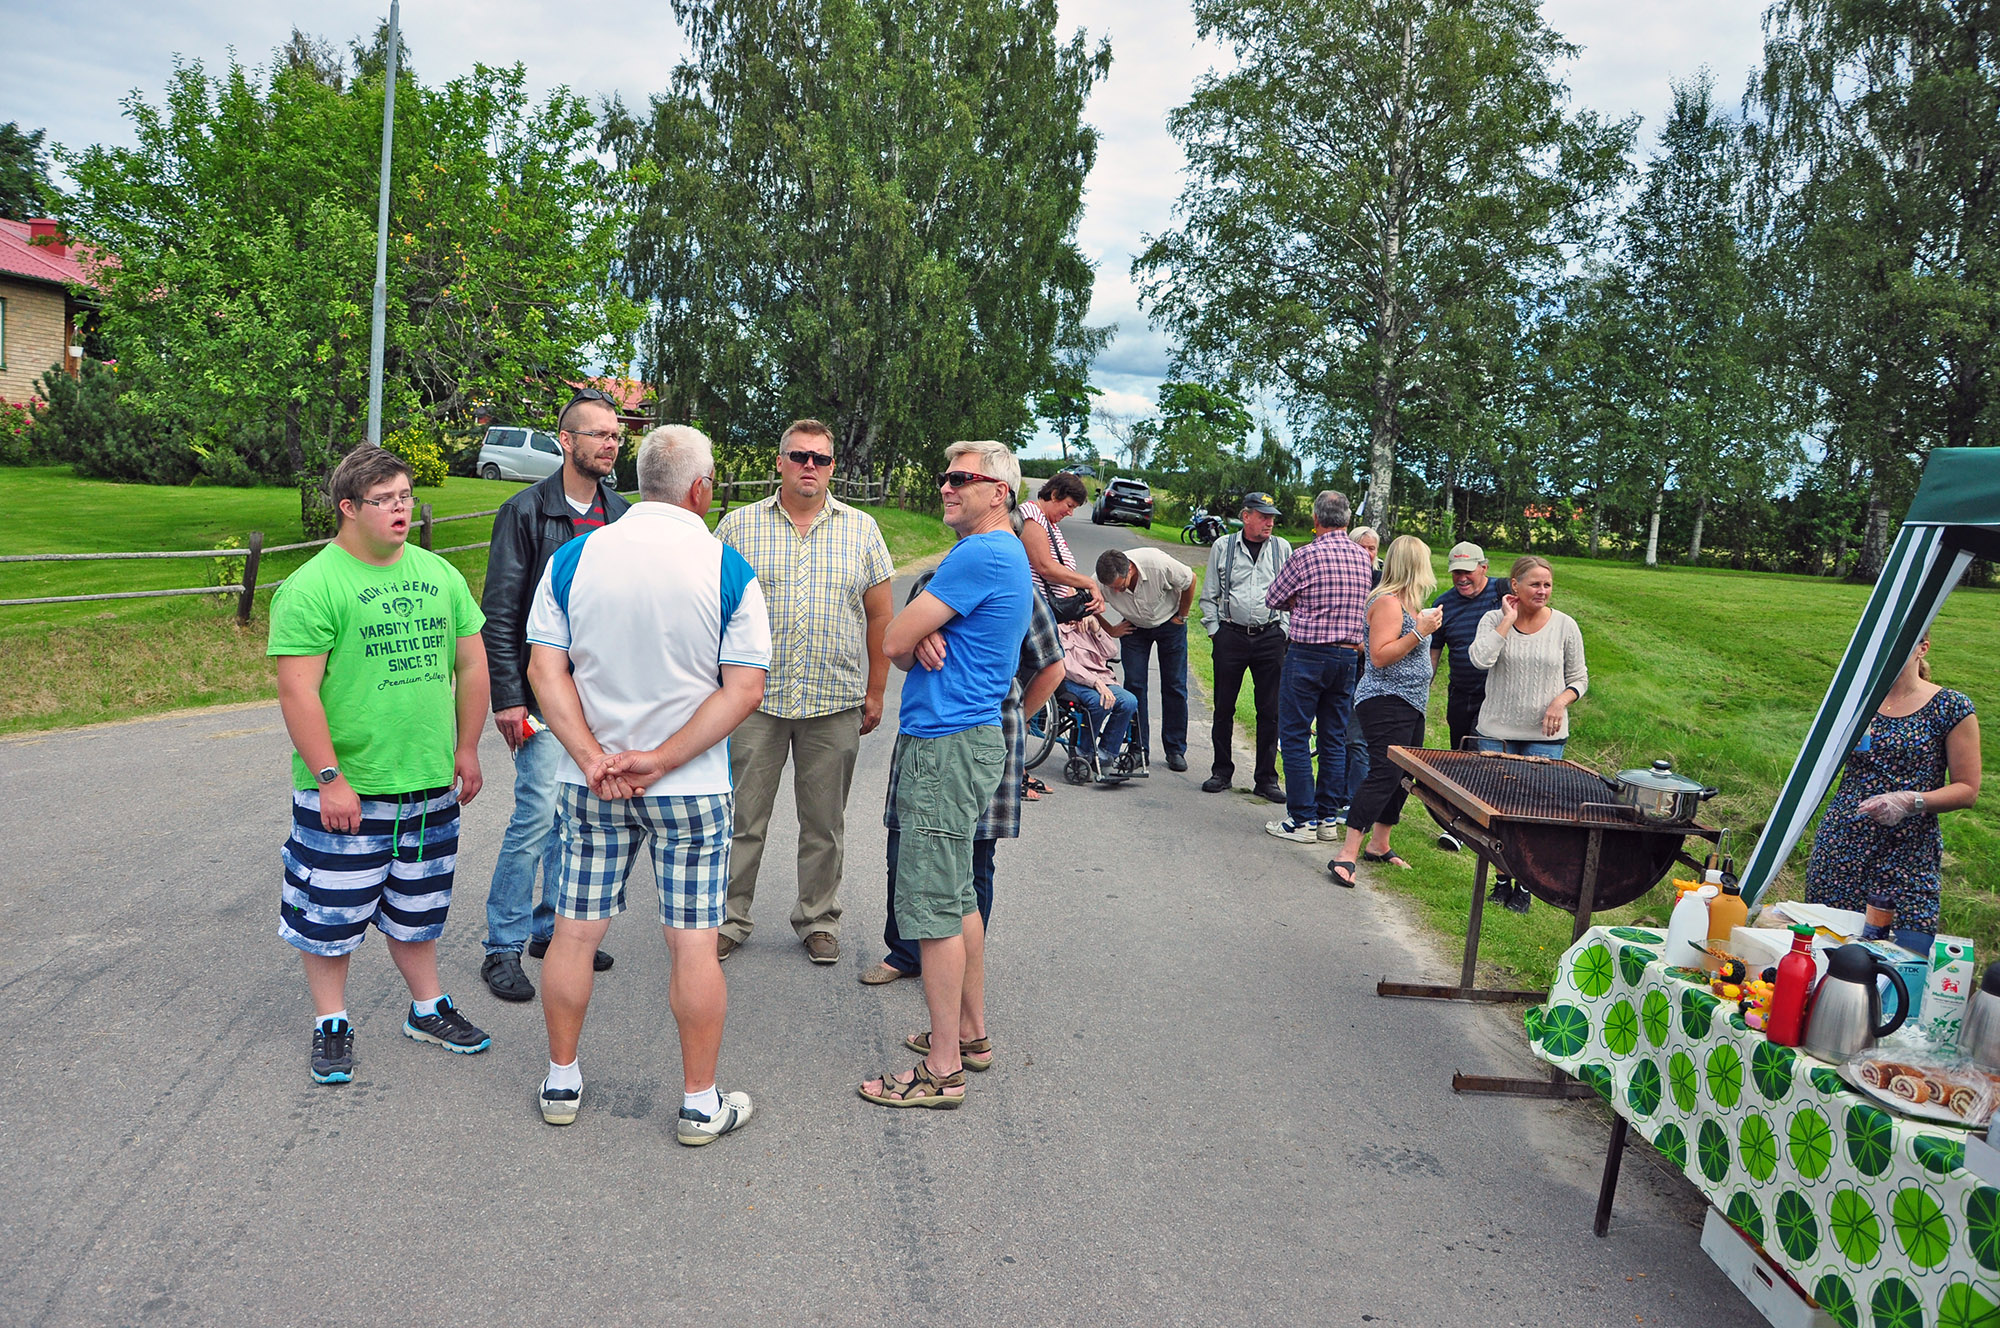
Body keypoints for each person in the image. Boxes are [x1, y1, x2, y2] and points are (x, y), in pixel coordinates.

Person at [524, 424, 771, 1145]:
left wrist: (592, 753)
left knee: (574, 931)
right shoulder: (727, 569)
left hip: (592, 781)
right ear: (701, 488)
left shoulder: (576, 557)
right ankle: (700, 1102)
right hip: (689, 787)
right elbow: (744, 689)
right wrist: (662, 760)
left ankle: (562, 1080)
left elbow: (547, 670)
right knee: (692, 942)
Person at [269, 446, 492, 1086]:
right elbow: (298, 691)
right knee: (330, 917)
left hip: (427, 786)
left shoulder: (439, 574)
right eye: (385, 499)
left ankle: (427, 1008)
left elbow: (472, 663)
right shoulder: (313, 587)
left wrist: (467, 746)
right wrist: (329, 779)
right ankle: (331, 1020)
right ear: (348, 508)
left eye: (406, 496)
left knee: (418, 907)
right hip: (349, 791)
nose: (401, 509)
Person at [858, 441, 1032, 1109]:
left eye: (964, 478)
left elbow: (895, 641)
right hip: (968, 737)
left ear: (1000, 492)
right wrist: (919, 630)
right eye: (945, 475)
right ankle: (971, 1032)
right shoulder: (1002, 552)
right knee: (957, 897)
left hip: (947, 743)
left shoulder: (980, 553)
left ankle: (941, 1069)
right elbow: (906, 640)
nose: (947, 486)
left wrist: (916, 630)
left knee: (932, 909)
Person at [714, 419, 894, 967]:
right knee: (741, 818)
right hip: (753, 702)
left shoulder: (862, 530)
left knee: (824, 823)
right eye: (798, 456)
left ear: (833, 466)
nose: (808, 466)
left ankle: (817, 919)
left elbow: (881, 615)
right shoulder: (736, 527)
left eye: (819, 458)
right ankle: (727, 917)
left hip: (833, 700)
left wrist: (877, 689)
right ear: (780, 462)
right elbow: (711, 610)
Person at [477, 389, 630, 1003]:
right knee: (536, 816)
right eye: (597, 434)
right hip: (541, 697)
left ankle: (552, 929)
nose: (610, 443)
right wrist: (508, 698)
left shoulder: (623, 513)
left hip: (600, 701)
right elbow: (502, 609)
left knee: (575, 818)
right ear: (565, 442)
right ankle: (502, 945)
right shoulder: (525, 511)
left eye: (616, 435)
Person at [863, 582, 1064, 985]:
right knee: (905, 847)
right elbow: (896, 644)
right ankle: (905, 953)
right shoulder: (930, 583)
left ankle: (964, 969)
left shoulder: (1016, 587)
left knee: (973, 857)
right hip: (924, 734)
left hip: (983, 739)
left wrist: (1018, 717)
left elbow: (1052, 666)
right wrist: (920, 636)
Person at [1806, 633, 1980, 956]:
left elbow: (1968, 789)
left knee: (1901, 965)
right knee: (1828, 961)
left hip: (1907, 860)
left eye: (1903, 641)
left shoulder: (1951, 707)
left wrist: (1911, 801)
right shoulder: (1859, 699)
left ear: (1923, 647)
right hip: (1841, 854)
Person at [1467, 554, 1588, 912]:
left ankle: (1525, 885)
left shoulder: (1566, 626)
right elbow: (1480, 660)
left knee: (1535, 813)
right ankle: (1501, 877)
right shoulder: (1493, 619)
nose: (1542, 591)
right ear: (1514, 586)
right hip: (1497, 732)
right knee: (1498, 809)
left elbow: (1579, 678)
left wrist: (1559, 703)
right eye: (1535, 584)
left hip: (1545, 735)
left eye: (1547, 584)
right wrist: (1507, 621)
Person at [1328, 537, 1443, 888]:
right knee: (1384, 772)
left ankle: (1380, 844)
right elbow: (1378, 656)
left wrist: (1422, 626)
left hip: (1411, 701)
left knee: (1403, 776)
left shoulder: (1409, 604)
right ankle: (1345, 854)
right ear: (1415, 565)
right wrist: (1420, 633)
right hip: (1385, 699)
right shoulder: (1388, 603)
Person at [1262, 491, 1374, 843]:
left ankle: (1301, 819)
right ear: (1347, 520)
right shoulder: (1362, 558)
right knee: (1334, 738)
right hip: (1346, 657)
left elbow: (1273, 598)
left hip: (1308, 653)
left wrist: (1302, 600)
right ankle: (1328, 817)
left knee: (1294, 735)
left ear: (1315, 520)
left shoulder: (1304, 555)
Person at [1198, 491, 1290, 800]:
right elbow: (1209, 593)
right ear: (1246, 516)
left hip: (1270, 637)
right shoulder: (1223, 547)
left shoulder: (1282, 548)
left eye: (1272, 518)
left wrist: (1284, 632)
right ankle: (1221, 771)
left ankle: (1266, 779)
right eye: (1263, 516)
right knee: (1224, 707)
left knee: (1270, 710)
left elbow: (1292, 596)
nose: (1269, 523)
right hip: (1231, 636)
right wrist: (1215, 631)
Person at [1428, 543, 1510, 851]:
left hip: (1498, 696)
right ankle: (1459, 823)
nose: (1461, 579)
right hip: (1461, 693)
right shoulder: (1444, 604)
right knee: (1461, 756)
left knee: (1482, 758)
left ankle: (1473, 828)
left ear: (1484, 568)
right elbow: (1434, 650)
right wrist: (1426, 684)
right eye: (1456, 573)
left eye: (1467, 572)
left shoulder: (1503, 595)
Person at [1094, 546, 1197, 773]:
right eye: (1112, 589)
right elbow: (1085, 600)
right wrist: (1110, 629)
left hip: (1170, 623)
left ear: (1130, 569)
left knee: (1175, 685)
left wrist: (1182, 615)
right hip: (1133, 627)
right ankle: (1138, 749)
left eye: (1119, 586)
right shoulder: (1101, 580)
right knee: (1135, 686)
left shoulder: (1157, 563)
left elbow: (1191, 580)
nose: (1116, 592)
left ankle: (1175, 749)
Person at [1058, 611, 1139, 781]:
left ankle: (1105, 754)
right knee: (1098, 701)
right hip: (1074, 680)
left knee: (1129, 701)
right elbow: (1069, 666)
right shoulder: (1057, 629)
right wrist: (1096, 683)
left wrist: (1097, 629)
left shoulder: (1087, 626)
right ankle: (1085, 753)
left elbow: (1111, 652)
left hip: (1102, 678)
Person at [1338, 525, 1382, 812]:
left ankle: (1356, 801)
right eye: (1362, 546)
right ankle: (1336, 796)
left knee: (1356, 738)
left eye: (1372, 548)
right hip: (1342, 662)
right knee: (1337, 734)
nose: (1367, 553)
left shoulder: (1380, 581)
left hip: (1368, 669)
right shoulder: (1343, 576)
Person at [1019, 473, 1104, 616]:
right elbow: (1045, 566)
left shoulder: (1049, 523)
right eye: (1069, 505)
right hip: (1031, 609)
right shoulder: (1032, 514)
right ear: (1054, 495)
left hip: (1044, 609)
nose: (1070, 513)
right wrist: (1089, 583)